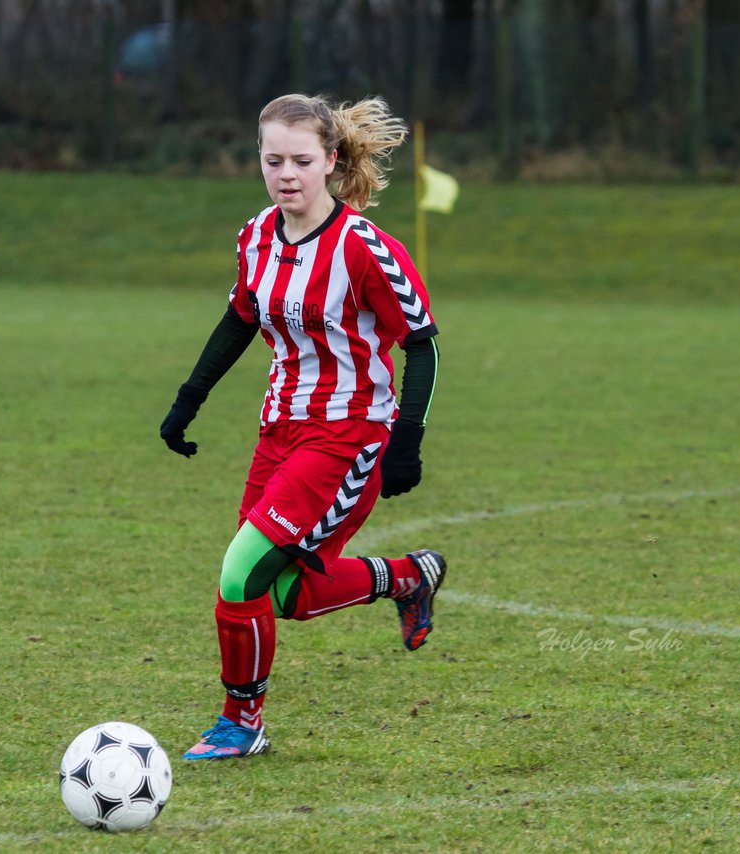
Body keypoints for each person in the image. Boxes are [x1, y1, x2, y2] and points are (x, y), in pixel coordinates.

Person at [159, 93, 444, 761]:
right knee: (280, 591)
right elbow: (241, 317)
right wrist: (187, 400)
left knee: (239, 576)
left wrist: (407, 440)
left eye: (302, 160)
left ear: (331, 161)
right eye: (273, 159)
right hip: (278, 433)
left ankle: (242, 723)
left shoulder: (364, 248)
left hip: (348, 438)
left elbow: (423, 344)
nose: (286, 173)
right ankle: (407, 575)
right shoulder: (256, 235)